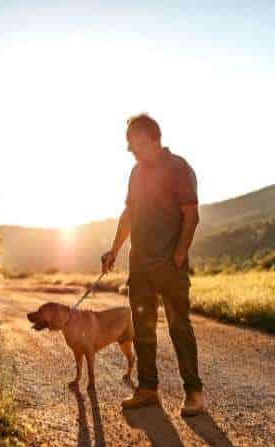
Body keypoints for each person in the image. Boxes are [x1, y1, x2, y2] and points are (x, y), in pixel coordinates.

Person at [101, 114, 203, 416]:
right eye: (129, 145)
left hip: (170, 266)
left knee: (179, 327)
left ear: (153, 139)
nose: (131, 150)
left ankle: (194, 393)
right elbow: (128, 215)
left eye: (136, 144)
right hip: (140, 267)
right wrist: (114, 250)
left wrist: (180, 254)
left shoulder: (178, 169)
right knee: (142, 329)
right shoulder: (136, 173)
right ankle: (147, 389)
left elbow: (191, 215)